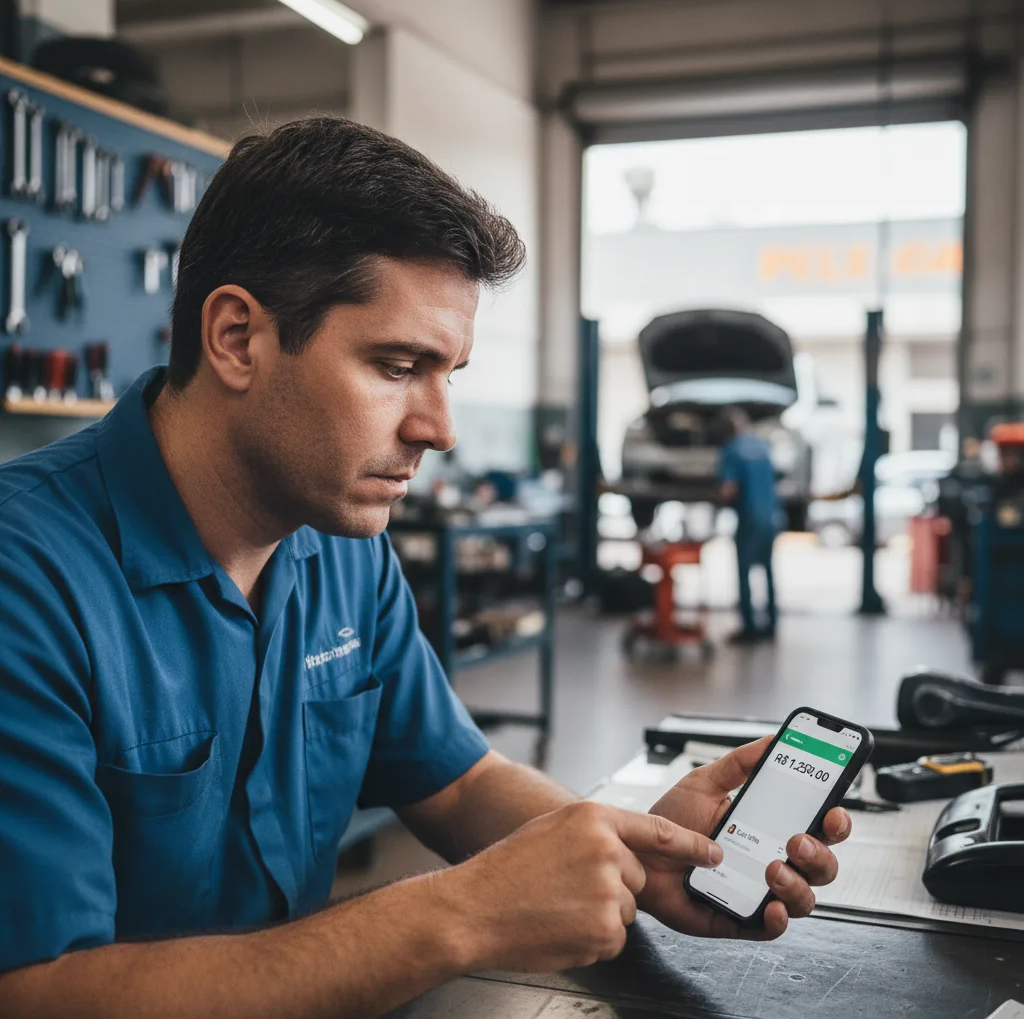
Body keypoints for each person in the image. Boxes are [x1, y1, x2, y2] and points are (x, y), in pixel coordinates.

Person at [0, 118, 850, 1018]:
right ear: (238, 338)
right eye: (399, 366)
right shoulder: (29, 580)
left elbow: (457, 781)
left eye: (450, 374)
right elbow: (40, 994)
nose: (439, 428)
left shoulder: (340, 546)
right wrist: (458, 914)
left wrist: (636, 852)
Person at [718, 406, 780, 643]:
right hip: (772, 516)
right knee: (768, 571)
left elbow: (728, 489)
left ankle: (750, 628)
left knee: (744, 573)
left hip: (749, 518)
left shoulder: (732, 450)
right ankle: (772, 624)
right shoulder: (762, 446)